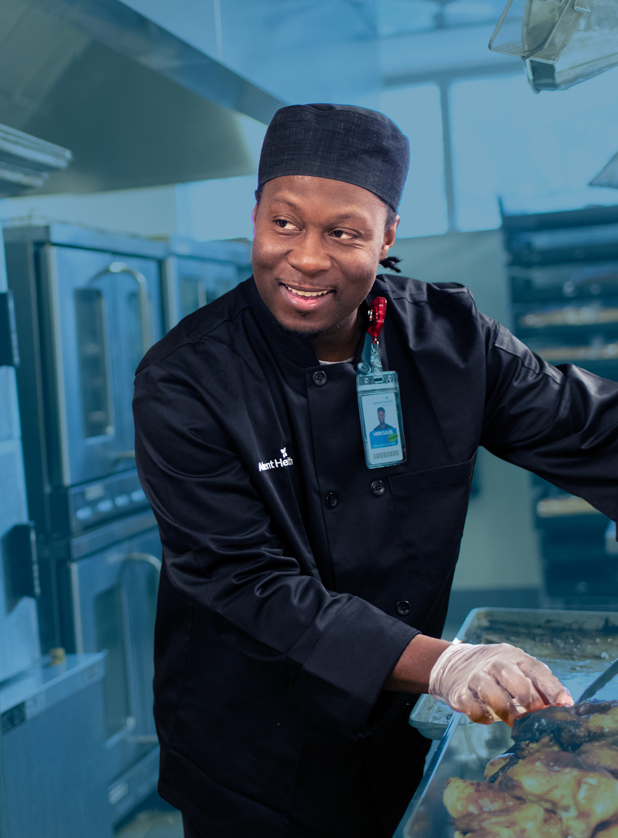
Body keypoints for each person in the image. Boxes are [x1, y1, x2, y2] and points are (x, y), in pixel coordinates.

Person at [133, 103, 618, 837]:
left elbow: (589, 431)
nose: (304, 257)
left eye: (344, 232)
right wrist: (447, 664)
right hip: (252, 752)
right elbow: (245, 580)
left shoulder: (452, 342)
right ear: (255, 217)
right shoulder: (185, 379)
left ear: (388, 235)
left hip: (394, 728)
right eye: (283, 223)